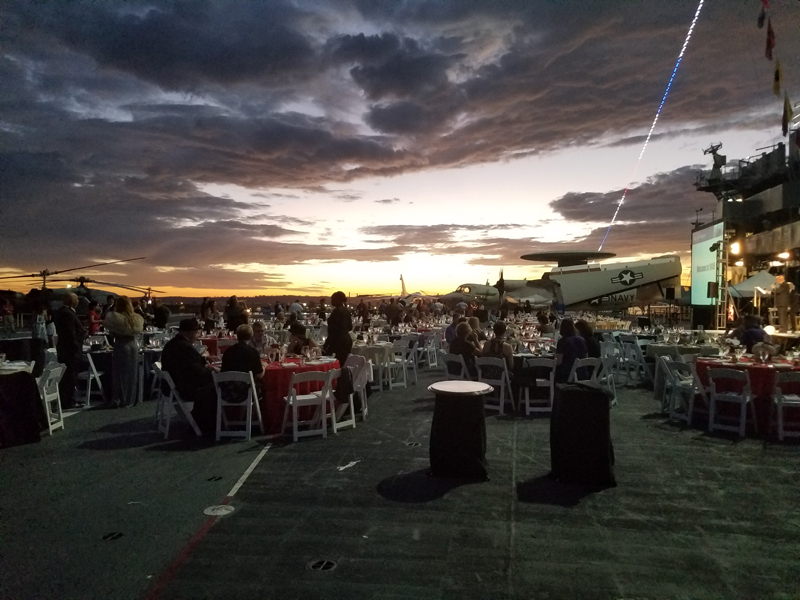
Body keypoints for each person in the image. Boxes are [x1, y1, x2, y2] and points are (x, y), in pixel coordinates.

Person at [161, 319, 216, 436]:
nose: (198, 336)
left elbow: (187, 363)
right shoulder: (185, 347)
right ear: (190, 332)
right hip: (184, 388)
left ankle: (199, 418)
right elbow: (195, 372)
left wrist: (204, 359)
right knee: (216, 387)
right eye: (196, 333)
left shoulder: (173, 344)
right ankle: (206, 423)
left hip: (171, 386)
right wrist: (213, 371)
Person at [104, 295, 144, 407]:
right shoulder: (136, 319)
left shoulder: (114, 318)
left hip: (121, 345)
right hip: (133, 345)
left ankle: (120, 398)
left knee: (119, 373)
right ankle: (131, 398)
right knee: (132, 373)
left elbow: (111, 331)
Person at [53, 293, 86, 408]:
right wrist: (76, 347)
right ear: (72, 301)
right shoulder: (67, 313)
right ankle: (68, 401)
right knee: (70, 376)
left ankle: (68, 399)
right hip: (70, 351)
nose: (78, 301)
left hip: (65, 349)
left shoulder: (63, 312)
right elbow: (70, 333)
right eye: (77, 299)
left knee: (68, 376)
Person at [323, 291, 353, 362]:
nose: (331, 301)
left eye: (333, 299)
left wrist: (326, 345)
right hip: (347, 340)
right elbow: (350, 327)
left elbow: (333, 331)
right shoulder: (346, 311)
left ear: (338, 300)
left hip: (337, 342)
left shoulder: (336, 312)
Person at [555, 318, 587, 383]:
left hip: (567, 374)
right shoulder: (582, 340)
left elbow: (558, 362)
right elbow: (586, 356)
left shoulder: (562, 341)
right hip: (582, 373)